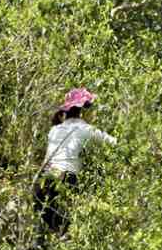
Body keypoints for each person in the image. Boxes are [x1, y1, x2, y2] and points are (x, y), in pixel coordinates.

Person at [34, 87, 117, 238]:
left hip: (44, 181)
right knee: (69, 228)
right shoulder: (86, 129)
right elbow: (114, 144)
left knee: (49, 230)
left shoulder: (55, 129)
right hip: (66, 180)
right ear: (83, 110)